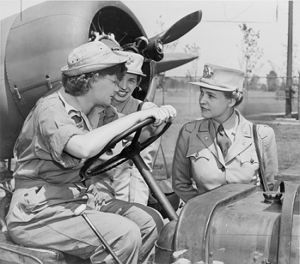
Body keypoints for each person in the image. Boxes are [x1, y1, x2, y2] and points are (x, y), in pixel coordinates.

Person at [6, 40, 177, 264]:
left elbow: (132, 137)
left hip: (78, 200)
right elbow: (82, 147)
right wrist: (136, 117)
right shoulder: (50, 109)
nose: (119, 87)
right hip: (37, 213)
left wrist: (154, 121)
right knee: (124, 234)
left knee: (150, 221)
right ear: (93, 77)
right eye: (115, 80)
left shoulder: (101, 110)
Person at [172, 63, 278, 203]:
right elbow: (180, 184)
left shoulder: (262, 135)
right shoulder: (189, 132)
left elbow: (270, 187)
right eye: (202, 93)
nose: (202, 101)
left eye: (211, 96)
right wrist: (203, 209)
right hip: (205, 219)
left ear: (231, 101)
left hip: (248, 219)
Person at [88, 50, 159, 205]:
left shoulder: (146, 111)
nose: (123, 87)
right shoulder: (92, 109)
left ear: (138, 83)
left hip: (131, 192)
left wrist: (136, 206)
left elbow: (141, 169)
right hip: (96, 191)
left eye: (132, 80)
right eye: (119, 78)